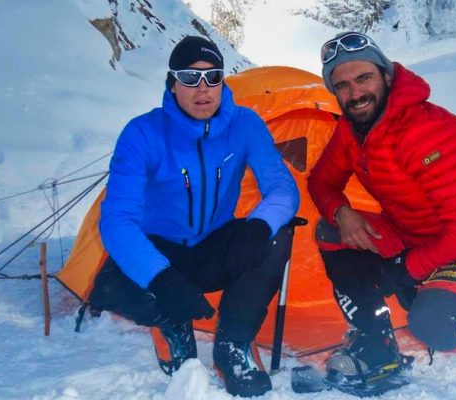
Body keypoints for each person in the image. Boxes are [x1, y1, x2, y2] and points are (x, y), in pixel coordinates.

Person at [307, 32, 456, 397]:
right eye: (342, 85)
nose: (354, 93)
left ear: (387, 75)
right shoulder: (352, 131)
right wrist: (342, 213)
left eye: (363, 78)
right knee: (331, 232)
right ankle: (377, 349)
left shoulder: (429, 132)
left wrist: (402, 270)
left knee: (433, 323)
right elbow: (321, 182)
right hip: (413, 236)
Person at [89, 35, 299, 398]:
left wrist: (259, 224)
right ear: (172, 84)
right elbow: (116, 220)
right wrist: (160, 277)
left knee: (277, 236)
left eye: (212, 76)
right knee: (110, 286)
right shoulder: (142, 133)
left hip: (214, 245)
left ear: (222, 81)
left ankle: (233, 344)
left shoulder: (245, 125)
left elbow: (282, 188)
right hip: (162, 250)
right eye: (189, 77)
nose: (202, 89)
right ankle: (173, 322)